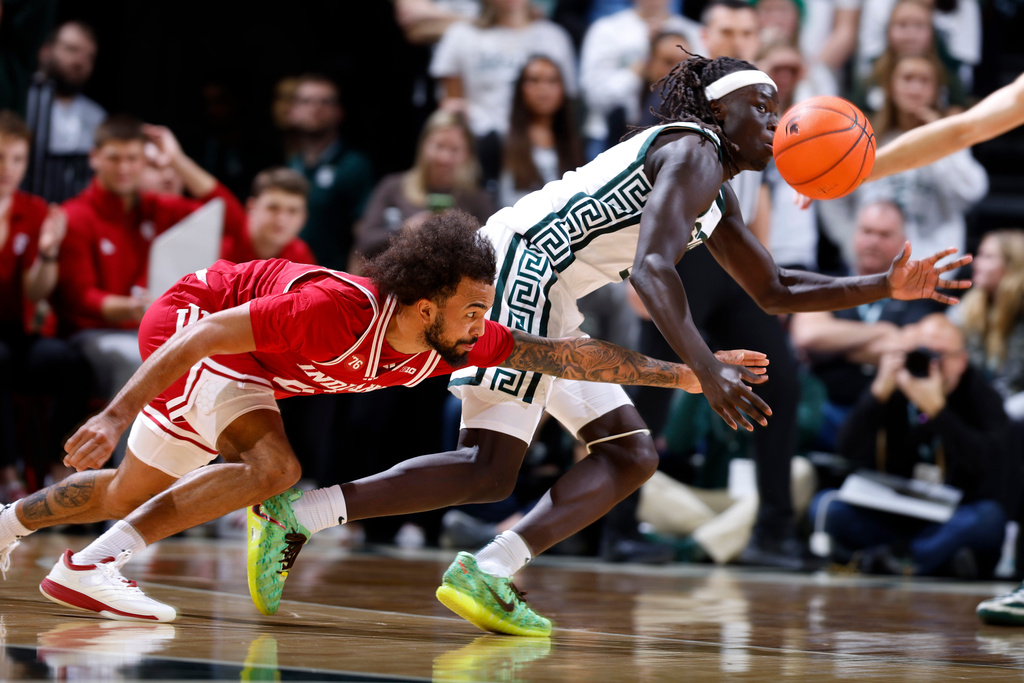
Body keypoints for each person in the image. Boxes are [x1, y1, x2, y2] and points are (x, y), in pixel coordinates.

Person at [250, 55, 970, 637]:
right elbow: (654, 270)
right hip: (519, 269)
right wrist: (704, 370)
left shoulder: (712, 186)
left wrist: (886, 283)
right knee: (490, 465)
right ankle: (301, 516)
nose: (777, 119)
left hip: (547, 286)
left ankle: (486, 567)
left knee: (629, 453)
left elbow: (775, 287)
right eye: (764, 104)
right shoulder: (693, 150)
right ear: (720, 111)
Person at [0, 209, 767, 621]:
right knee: (275, 469)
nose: (482, 324)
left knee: (122, 492)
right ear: (426, 302)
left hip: (234, 367)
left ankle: (15, 529)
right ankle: (97, 562)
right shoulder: (336, 311)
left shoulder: (458, 338)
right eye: (472, 309)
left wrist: (690, 372)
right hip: (189, 327)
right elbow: (203, 332)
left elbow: (567, 356)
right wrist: (113, 411)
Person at [55, 116, 246, 405]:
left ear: (144, 161)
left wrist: (177, 159)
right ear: (94, 158)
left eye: (133, 158)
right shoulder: (76, 214)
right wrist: (131, 309)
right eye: (114, 158)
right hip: (93, 334)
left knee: (218, 365)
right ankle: (128, 453)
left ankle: (204, 452)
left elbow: (230, 218)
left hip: (147, 329)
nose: (124, 168)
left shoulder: (155, 208)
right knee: (140, 362)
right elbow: (79, 297)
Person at [808, 314, 1011, 578]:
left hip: (951, 517)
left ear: (961, 361)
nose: (930, 365)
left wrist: (938, 412)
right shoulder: (894, 384)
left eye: (941, 356)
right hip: (892, 516)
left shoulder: (981, 396)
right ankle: (925, 559)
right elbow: (847, 451)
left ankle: (901, 559)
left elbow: (989, 466)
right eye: (922, 353)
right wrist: (878, 393)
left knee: (989, 518)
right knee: (826, 507)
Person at [789, 201, 945, 451]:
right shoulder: (825, 282)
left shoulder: (919, 294)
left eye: (884, 235)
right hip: (824, 409)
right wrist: (884, 333)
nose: (873, 241)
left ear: (903, 242)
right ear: (854, 234)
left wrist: (835, 347)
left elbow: (913, 350)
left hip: (887, 421)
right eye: (867, 231)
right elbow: (808, 335)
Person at [0, 109, 91, 500]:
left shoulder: (34, 210)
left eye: (17, 158)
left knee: (70, 362)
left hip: (16, 330)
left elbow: (36, 292)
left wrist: (48, 255)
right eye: (1, 156)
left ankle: (59, 468)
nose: (8, 167)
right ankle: (8, 472)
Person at [429, 0, 577, 186]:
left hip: (540, 147)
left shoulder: (553, 37)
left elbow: (564, 105)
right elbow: (452, 104)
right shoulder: (461, 35)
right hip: (479, 148)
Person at [355, 109, 493, 261]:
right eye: (439, 146)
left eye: (454, 150)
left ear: (467, 154)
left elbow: (493, 247)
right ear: (424, 145)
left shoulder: (477, 198)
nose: (445, 158)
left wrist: (461, 231)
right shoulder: (393, 187)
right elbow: (364, 241)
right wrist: (404, 230)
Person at [579, 0, 702, 160]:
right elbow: (594, 94)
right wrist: (638, 69)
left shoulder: (695, 33)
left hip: (683, 136)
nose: (675, 71)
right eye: (668, 62)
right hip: (609, 138)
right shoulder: (606, 29)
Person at [286, 74, 373, 271]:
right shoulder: (291, 164)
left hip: (332, 279)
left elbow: (363, 233)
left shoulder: (354, 165)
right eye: (306, 101)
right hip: (287, 278)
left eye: (325, 102)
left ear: (339, 112)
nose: (315, 108)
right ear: (292, 112)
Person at [23, 21, 106, 204]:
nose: (80, 61)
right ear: (45, 51)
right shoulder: (21, 101)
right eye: (72, 50)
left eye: (89, 56)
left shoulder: (97, 116)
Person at [948, 229, 1024, 418]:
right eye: (979, 254)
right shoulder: (970, 306)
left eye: (988, 257)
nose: (977, 263)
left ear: (1012, 265)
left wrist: (1003, 414)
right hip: (978, 412)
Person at [497, 57, 583, 208]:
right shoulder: (498, 140)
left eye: (552, 81)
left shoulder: (575, 143)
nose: (543, 88)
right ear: (520, 88)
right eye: (534, 80)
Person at [219, 167, 316, 266]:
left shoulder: (299, 254)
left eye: (293, 211)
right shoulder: (221, 244)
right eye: (273, 208)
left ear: (304, 217)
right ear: (251, 208)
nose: (282, 220)